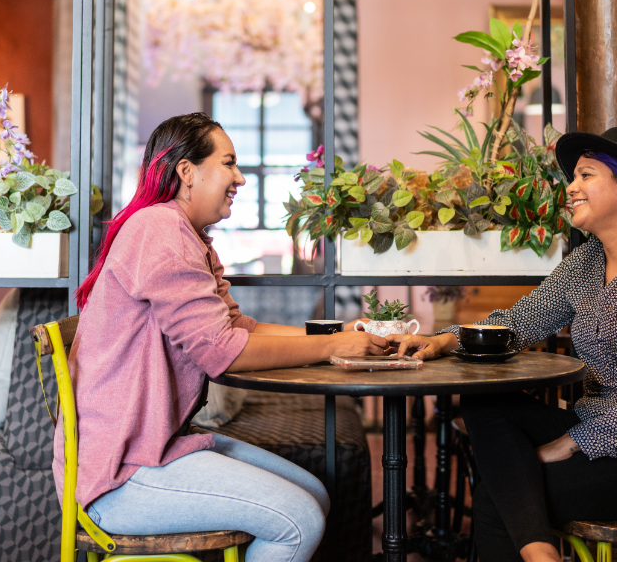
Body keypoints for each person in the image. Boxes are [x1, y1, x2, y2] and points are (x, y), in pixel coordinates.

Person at [57, 112, 388, 562]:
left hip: (154, 446)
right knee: (300, 520)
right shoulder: (160, 230)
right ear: (186, 171)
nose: (240, 178)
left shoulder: (185, 233)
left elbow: (234, 328)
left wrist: (335, 334)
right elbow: (222, 353)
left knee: (314, 493)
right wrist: (332, 348)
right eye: (229, 164)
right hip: (120, 471)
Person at [394, 127, 617, 562]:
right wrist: (443, 339)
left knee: (501, 494)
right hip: (602, 428)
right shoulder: (586, 262)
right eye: (573, 178)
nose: (570, 188)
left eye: (585, 175)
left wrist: (574, 441)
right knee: (484, 404)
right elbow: (518, 323)